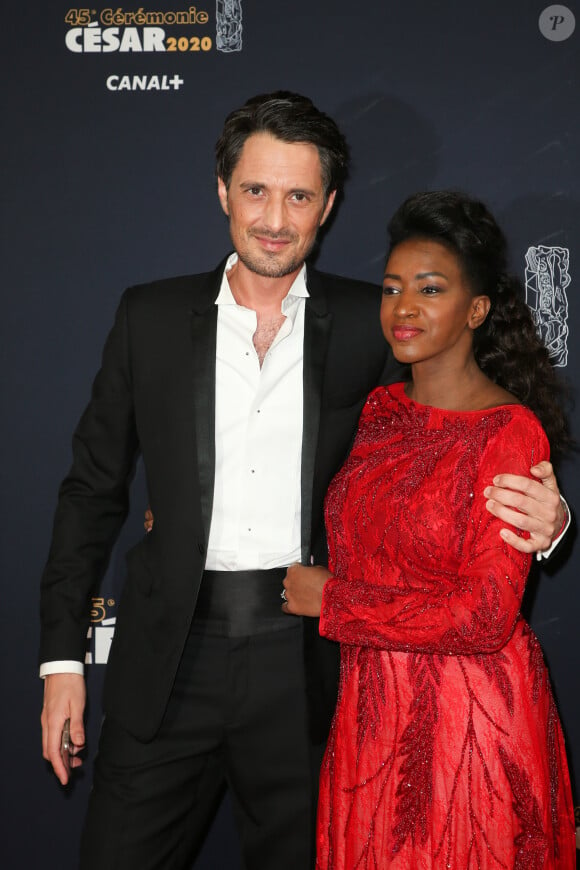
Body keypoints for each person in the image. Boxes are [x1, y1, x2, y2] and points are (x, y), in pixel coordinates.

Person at [39, 95, 568, 870]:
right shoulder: (148, 317)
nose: (275, 219)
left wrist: (547, 521)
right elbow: (90, 492)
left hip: (314, 661)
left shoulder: (375, 321)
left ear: (327, 205)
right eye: (256, 191)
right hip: (168, 657)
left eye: (298, 196)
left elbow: (458, 431)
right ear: (223, 191)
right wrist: (61, 664)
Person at [283, 190, 576, 868]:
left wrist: (335, 602)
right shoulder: (377, 410)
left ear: (476, 310)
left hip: (463, 723)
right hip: (369, 715)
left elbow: (485, 617)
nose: (404, 307)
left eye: (430, 288)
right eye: (392, 289)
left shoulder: (507, 432)